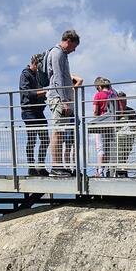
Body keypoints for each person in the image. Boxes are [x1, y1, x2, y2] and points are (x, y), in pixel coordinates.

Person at [45, 30, 83, 177]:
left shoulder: (62, 54)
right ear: (68, 40)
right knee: (58, 132)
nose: (74, 50)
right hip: (59, 98)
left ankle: (59, 165)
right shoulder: (58, 53)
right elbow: (58, 78)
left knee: (60, 133)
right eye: (74, 46)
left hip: (61, 98)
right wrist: (65, 101)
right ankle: (56, 166)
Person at [19, 54, 50, 177]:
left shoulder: (38, 75)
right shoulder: (25, 74)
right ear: (36, 63)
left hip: (38, 111)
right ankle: (31, 167)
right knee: (32, 139)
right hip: (29, 111)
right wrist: (45, 91)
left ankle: (40, 167)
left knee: (45, 139)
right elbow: (27, 93)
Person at [91, 77, 119, 177]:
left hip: (101, 123)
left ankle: (100, 171)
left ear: (98, 86)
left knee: (100, 148)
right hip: (112, 124)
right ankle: (108, 170)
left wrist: (95, 119)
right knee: (109, 147)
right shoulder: (114, 95)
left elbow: (95, 111)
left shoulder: (98, 95)